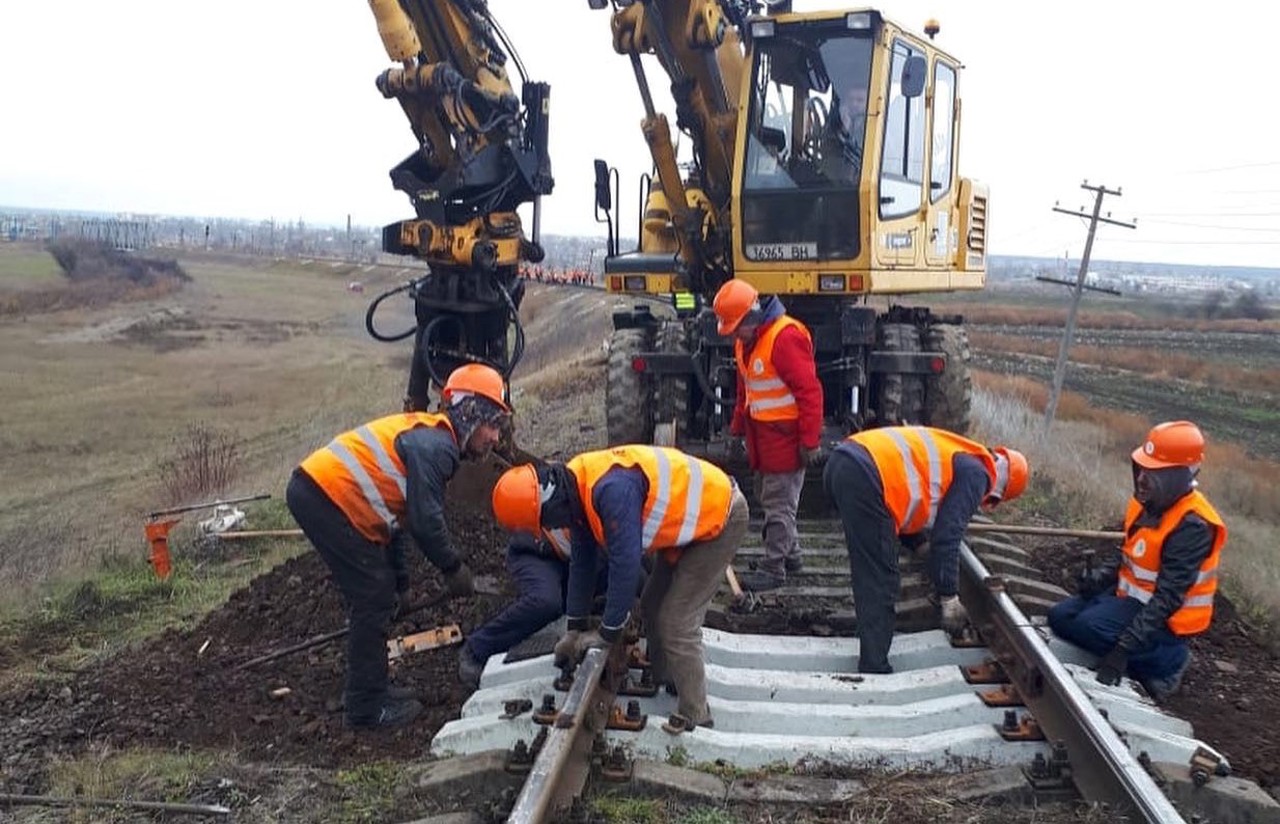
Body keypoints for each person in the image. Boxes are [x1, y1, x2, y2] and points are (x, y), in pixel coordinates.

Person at [285, 363, 511, 729]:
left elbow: (397, 523)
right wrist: (454, 568)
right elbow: (425, 519)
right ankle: (366, 710)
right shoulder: (438, 447)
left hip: (325, 494)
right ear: (471, 414)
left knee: (378, 593)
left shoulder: (429, 437)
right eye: (492, 425)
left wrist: (402, 586)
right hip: (325, 495)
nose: (495, 439)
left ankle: (369, 688)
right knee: (371, 597)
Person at [491, 445, 749, 734]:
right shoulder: (575, 486)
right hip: (690, 526)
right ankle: (668, 677)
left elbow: (624, 566)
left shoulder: (612, 492)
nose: (551, 528)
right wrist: (574, 629)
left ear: (550, 505)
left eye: (546, 522)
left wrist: (606, 634)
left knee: (676, 620)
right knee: (652, 604)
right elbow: (583, 562)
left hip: (721, 519)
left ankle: (697, 715)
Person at [824, 425, 1029, 673]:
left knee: (871, 564)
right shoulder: (979, 474)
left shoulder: (961, 454)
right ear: (1000, 492)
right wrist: (949, 597)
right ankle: (874, 665)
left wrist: (920, 545)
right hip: (866, 475)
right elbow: (947, 536)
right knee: (879, 577)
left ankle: (871, 647)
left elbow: (913, 497)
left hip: (842, 461)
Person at [1048, 421, 1227, 702]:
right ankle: (1129, 643)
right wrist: (1098, 579)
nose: (1142, 478)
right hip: (1129, 602)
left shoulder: (1193, 525)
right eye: (1142, 468)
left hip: (1165, 623)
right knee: (1059, 617)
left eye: (1153, 472)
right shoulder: (1146, 502)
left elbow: (1168, 598)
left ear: (1179, 475)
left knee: (1089, 627)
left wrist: (1123, 649)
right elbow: (1128, 552)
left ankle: (1166, 666)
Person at [712, 279, 823, 592]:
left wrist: (809, 441)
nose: (732, 334)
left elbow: (810, 393)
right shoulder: (745, 343)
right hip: (763, 440)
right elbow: (744, 391)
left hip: (786, 441)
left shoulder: (784, 337)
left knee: (778, 504)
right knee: (775, 499)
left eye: (736, 328)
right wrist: (735, 431)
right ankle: (792, 556)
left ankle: (774, 569)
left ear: (752, 317)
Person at [456, 527, 610, 689]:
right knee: (545, 602)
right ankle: (476, 648)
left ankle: (588, 625)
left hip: (581, 556)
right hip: (539, 551)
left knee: (632, 579)